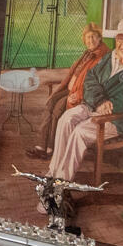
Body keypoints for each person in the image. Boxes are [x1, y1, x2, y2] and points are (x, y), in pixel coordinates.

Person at [50, 18, 123, 181]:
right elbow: (90, 78)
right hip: (94, 106)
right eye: (120, 38)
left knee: (80, 132)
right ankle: (52, 173)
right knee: (66, 119)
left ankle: (60, 183)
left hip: (118, 118)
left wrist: (114, 103)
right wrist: (100, 101)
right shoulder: (111, 56)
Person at [27, 21, 107, 159]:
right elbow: (72, 74)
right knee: (51, 103)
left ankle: (52, 149)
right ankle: (41, 146)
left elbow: (96, 83)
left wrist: (79, 95)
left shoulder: (103, 56)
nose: (90, 40)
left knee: (58, 109)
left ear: (100, 38)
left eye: (93, 36)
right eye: (87, 37)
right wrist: (56, 92)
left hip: (81, 95)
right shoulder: (88, 53)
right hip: (70, 89)